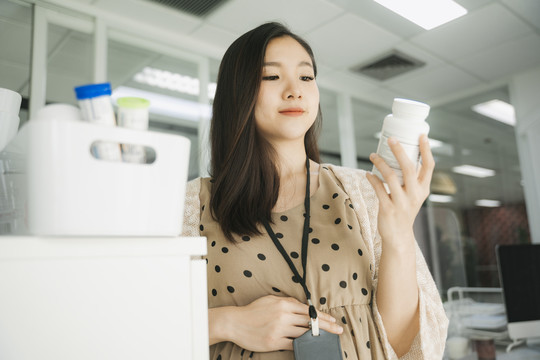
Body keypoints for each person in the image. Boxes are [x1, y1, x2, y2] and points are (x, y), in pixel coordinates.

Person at [182, 22, 448, 360]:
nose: (295, 90)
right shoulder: (193, 205)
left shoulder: (362, 193)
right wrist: (224, 323)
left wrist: (398, 235)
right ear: (238, 93)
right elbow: (132, 327)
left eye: (306, 77)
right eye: (271, 77)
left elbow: (397, 344)